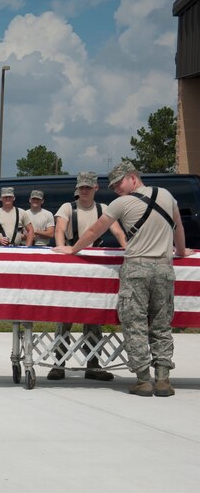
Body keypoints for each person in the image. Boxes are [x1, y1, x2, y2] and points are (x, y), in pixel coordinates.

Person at [54, 162, 194, 396]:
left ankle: (143, 380)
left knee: (136, 325)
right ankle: (163, 380)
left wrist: (73, 250)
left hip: (136, 269)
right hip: (164, 269)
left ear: (132, 178)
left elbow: (94, 231)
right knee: (161, 325)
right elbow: (177, 226)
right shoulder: (167, 195)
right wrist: (180, 252)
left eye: (119, 183)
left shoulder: (121, 203)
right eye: (112, 186)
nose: (116, 189)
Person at [48, 172, 128, 381]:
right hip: (70, 267)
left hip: (94, 269)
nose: (84, 190)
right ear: (77, 188)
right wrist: (60, 250)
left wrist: (128, 250)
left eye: (88, 187)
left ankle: (94, 365)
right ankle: (59, 363)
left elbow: (118, 232)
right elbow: (59, 230)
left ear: (96, 188)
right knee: (65, 316)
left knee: (93, 317)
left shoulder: (104, 209)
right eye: (82, 187)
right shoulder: (67, 208)